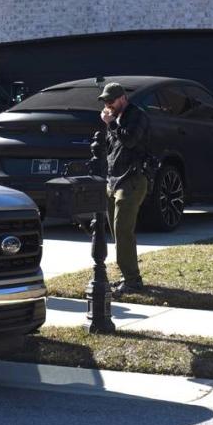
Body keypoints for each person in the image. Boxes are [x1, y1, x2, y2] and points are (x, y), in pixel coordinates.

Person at [98, 82, 151, 296]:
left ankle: (133, 281)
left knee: (123, 231)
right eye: (105, 102)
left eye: (111, 101)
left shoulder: (137, 115)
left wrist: (110, 124)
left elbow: (130, 140)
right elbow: (112, 150)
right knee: (116, 231)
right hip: (115, 180)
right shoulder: (115, 118)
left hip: (133, 179)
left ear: (122, 98)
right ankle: (127, 275)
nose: (108, 105)